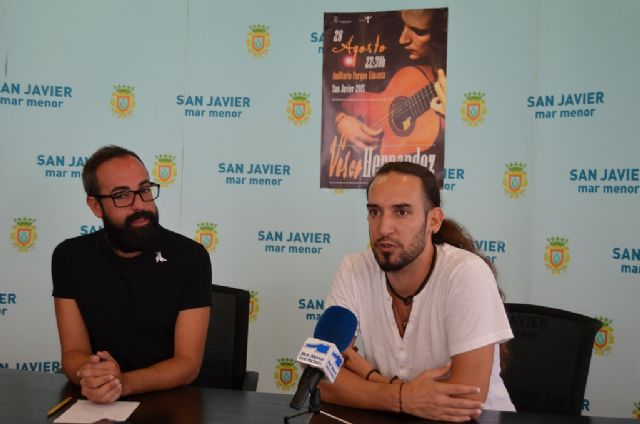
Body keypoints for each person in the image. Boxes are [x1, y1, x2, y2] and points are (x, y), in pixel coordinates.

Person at [320, 161, 514, 421]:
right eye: (375, 212)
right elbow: (322, 379)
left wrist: (371, 381)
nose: (383, 227)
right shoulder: (354, 268)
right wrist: (403, 396)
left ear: (433, 221)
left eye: (401, 212)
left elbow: (464, 402)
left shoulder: (466, 273)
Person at [51, 145, 211, 404]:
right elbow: (73, 352)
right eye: (122, 195)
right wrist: (91, 376)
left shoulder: (191, 257)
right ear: (95, 206)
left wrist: (122, 383)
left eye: (145, 190)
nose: (140, 205)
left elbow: (188, 364)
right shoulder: (69, 257)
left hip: (171, 404)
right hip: (97, 403)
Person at [335, 9, 447, 151]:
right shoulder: (384, 48)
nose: (402, 39)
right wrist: (340, 120)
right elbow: (329, 95)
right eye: (403, 25)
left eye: (419, 32)